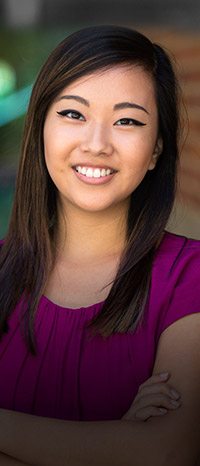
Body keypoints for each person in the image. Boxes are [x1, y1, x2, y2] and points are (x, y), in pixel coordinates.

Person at [0, 24, 200, 466]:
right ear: (41, 129)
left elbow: (168, 452)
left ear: (155, 150)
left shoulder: (191, 277)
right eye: (73, 114)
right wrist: (114, 443)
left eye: (127, 121)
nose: (96, 144)